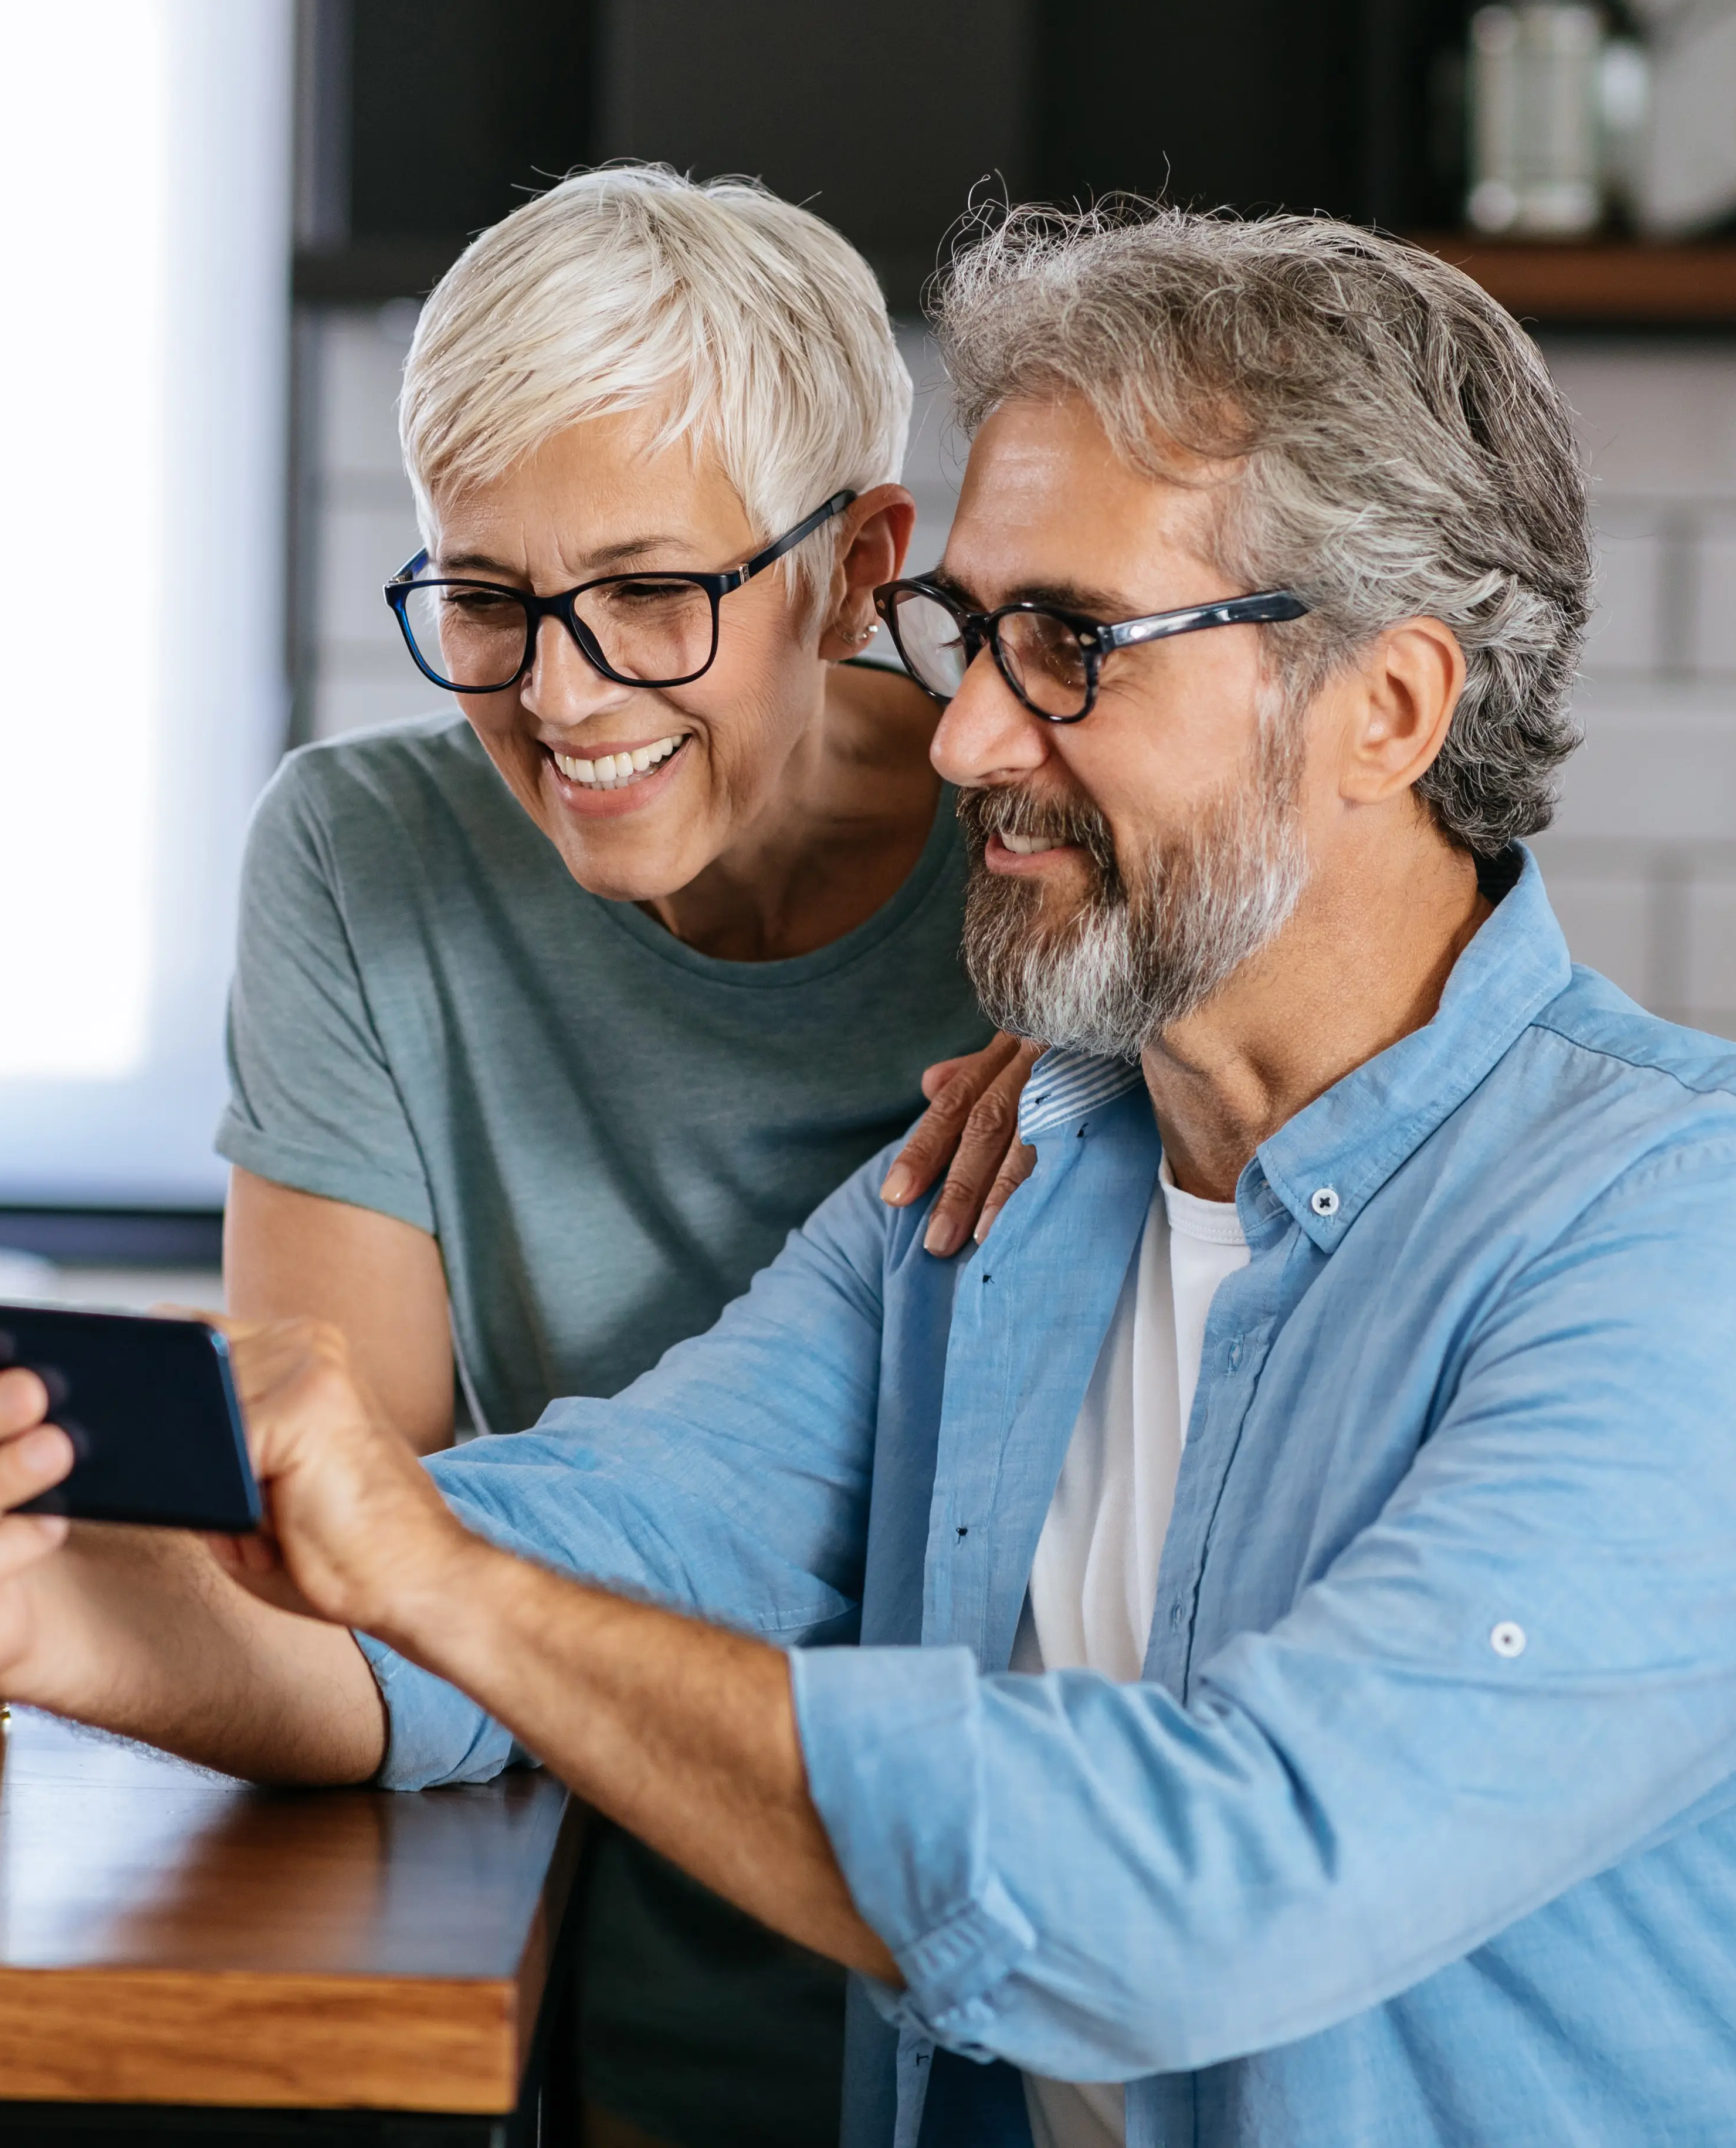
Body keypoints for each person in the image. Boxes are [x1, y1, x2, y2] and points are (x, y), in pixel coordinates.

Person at [0, 204, 1736, 2147]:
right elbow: (570, 1549)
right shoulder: (1023, 1182)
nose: (962, 732)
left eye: (1069, 648)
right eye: (975, 636)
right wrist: (31, 1610)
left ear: (1386, 709)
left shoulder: (1716, 1240)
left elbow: (1209, 1884)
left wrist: (442, 1583)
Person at [214, 162, 1041, 2147]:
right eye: (486, 600)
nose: (561, 696)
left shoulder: (1055, 887)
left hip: (1009, 1976)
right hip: (565, 1948)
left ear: (859, 569)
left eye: (653, 597)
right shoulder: (363, 860)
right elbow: (360, 1558)